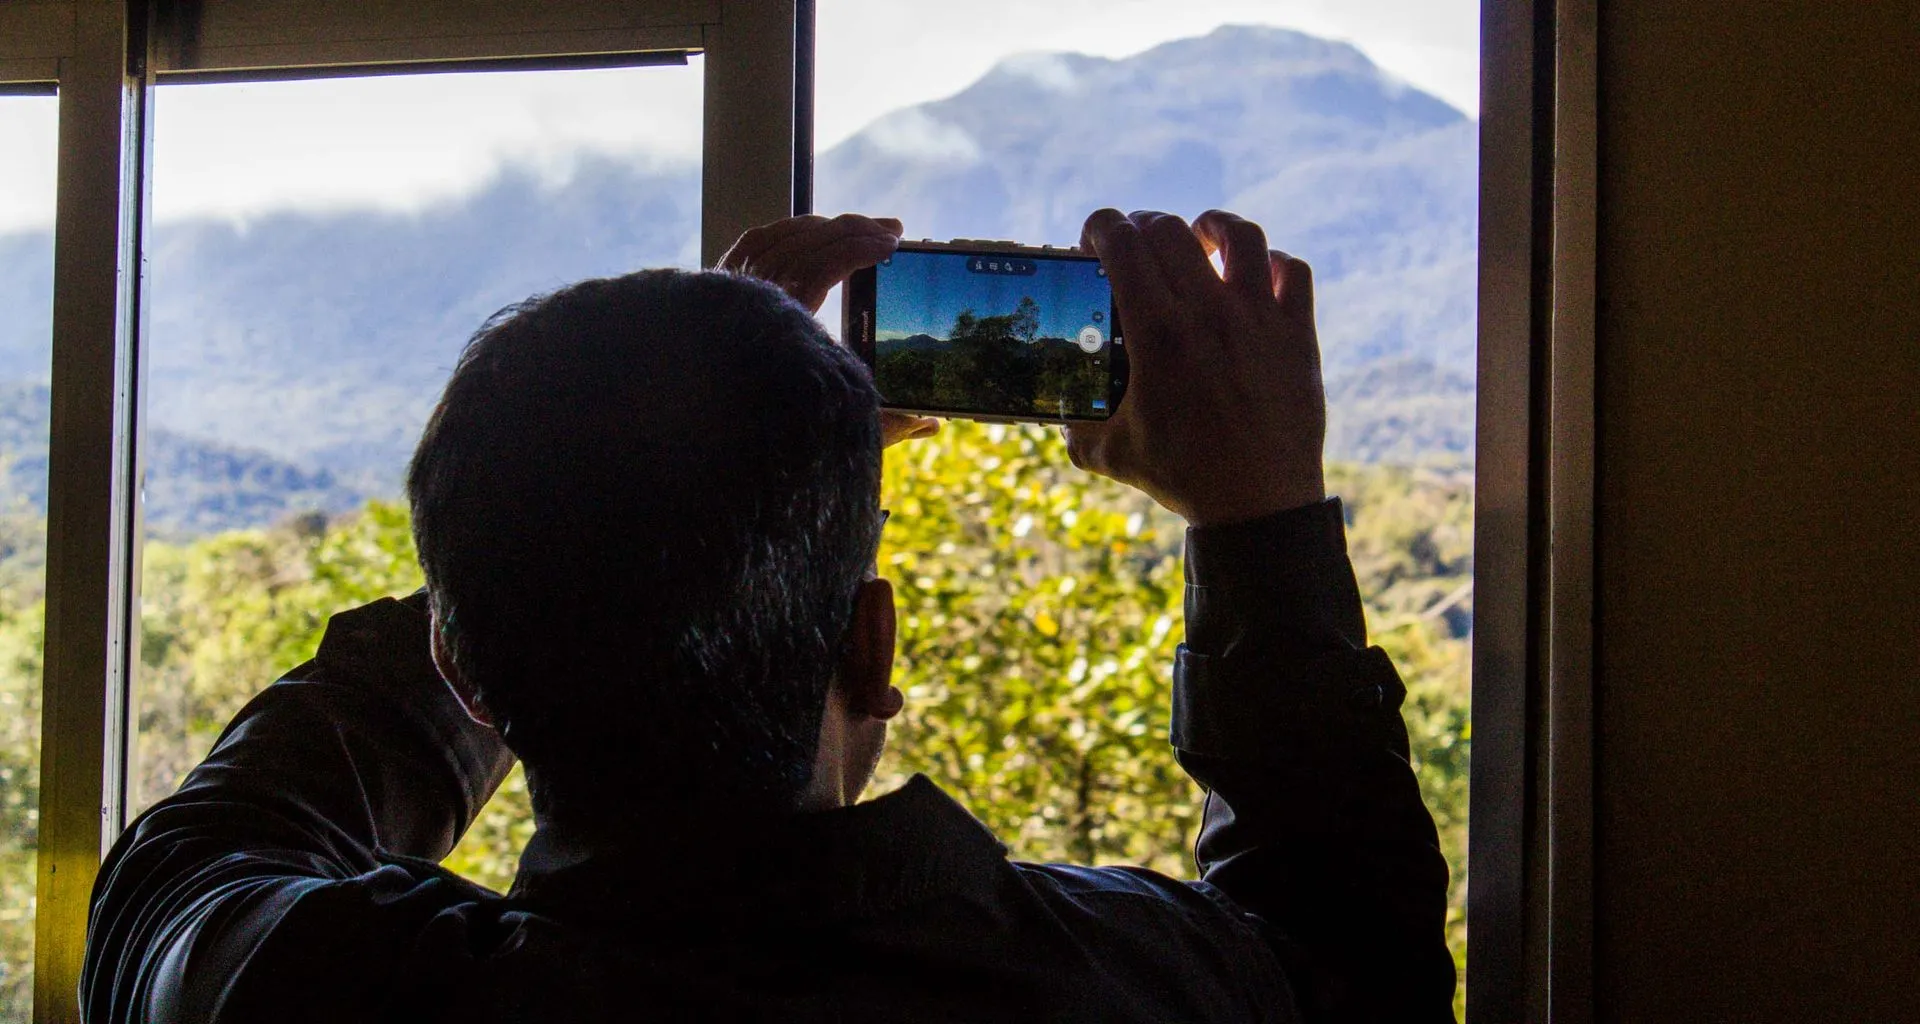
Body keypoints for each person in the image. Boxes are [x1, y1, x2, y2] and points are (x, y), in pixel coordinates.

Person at [82, 209, 1455, 1022]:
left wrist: (610, 457)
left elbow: (173, 881)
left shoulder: (328, 992)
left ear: (461, 662)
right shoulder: (1122, 986)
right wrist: (1262, 516)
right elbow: (1348, 965)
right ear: (873, 642)